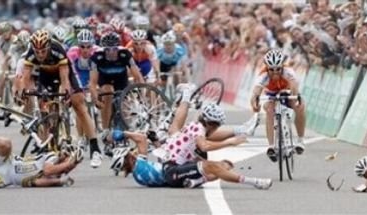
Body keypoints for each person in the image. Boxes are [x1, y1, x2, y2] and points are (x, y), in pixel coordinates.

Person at [110, 84, 270, 189]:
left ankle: (196, 181)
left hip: (171, 168)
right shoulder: (140, 164)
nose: (133, 154)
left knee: (222, 163)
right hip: (171, 170)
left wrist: (158, 143)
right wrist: (120, 134)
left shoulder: (138, 176)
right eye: (130, 154)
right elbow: (141, 139)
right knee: (212, 165)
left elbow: (160, 166)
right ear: (128, 159)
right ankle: (254, 181)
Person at [17, 29, 102, 168]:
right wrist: (24, 92)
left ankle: (95, 147)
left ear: (49, 47)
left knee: (79, 104)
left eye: (43, 51)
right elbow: (26, 77)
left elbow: (64, 79)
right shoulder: (31, 54)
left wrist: (66, 93)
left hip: (65, 73)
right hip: (46, 75)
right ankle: (46, 146)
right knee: (43, 103)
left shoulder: (58, 50)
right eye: (37, 52)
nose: (40, 55)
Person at [89, 32, 143, 150]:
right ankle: (106, 129)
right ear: (104, 49)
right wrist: (95, 99)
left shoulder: (125, 54)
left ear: (118, 47)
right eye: (108, 49)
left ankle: (123, 130)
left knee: (123, 103)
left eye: (114, 49)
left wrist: (141, 94)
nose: (111, 52)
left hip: (121, 79)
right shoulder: (96, 57)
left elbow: (137, 76)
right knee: (107, 93)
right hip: (104, 80)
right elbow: (92, 83)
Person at [250, 49, 306, 162]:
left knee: (300, 108)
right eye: (271, 69)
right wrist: (254, 103)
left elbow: (294, 86)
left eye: (278, 69)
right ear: (267, 68)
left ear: (282, 67)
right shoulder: (263, 75)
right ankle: (271, 146)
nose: (275, 72)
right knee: (269, 110)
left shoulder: (287, 71)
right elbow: (256, 91)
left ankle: (300, 140)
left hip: (287, 91)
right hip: (272, 93)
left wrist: (295, 99)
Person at [67, 29, 101, 147]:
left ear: (92, 45)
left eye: (88, 46)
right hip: (78, 74)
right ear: (78, 45)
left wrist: (97, 86)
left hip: (93, 73)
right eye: (82, 46)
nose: (85, 50)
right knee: (80, 107)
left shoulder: (97, 51)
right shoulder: (72, 53)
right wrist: (79, 88)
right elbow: (71, 72)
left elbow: (101, 71)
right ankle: (81, 136)